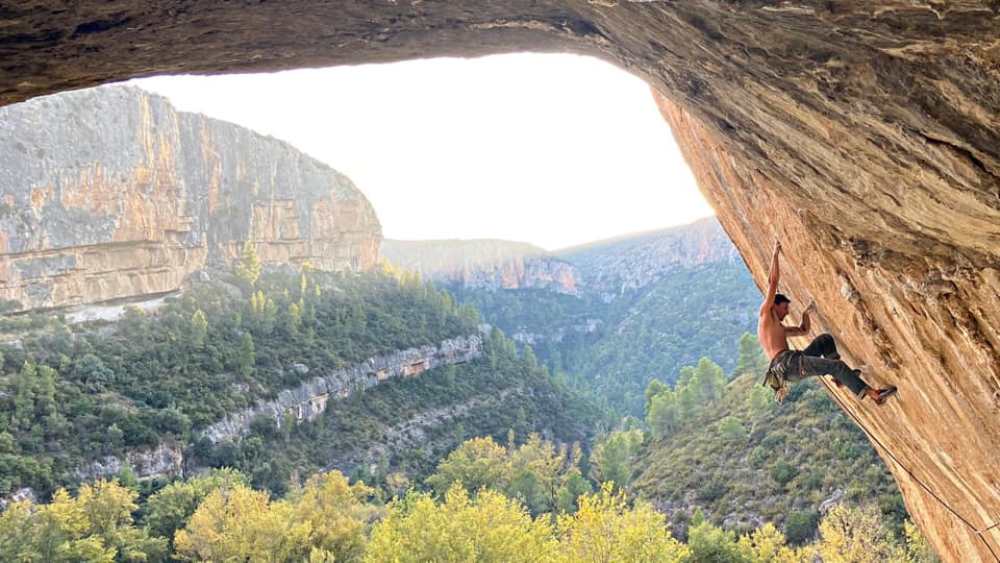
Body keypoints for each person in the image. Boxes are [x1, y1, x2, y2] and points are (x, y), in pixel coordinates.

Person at [757, 240, 897, 404]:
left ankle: (839, 379)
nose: (787, 312)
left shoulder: (777, 328)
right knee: (837, 367)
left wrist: (805, 314)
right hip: (788, 364)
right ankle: (875, 395)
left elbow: (803, 330)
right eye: (785, 307)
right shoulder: (766, 314)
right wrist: (775, 254)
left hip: (792, 362)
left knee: (825, 340)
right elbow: (772, 282)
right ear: (775, 305)